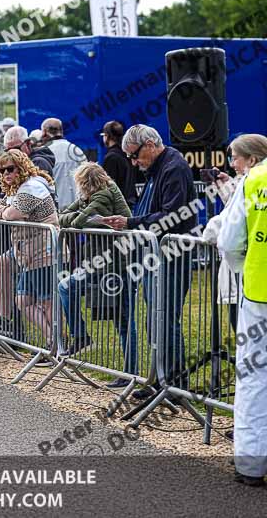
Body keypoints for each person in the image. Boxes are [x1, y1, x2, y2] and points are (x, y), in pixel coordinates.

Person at [99, 125, 198, 398]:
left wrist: (131, 222)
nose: (133, 162)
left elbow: (171, 215)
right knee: (155, 319)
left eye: (135, 155)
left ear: (151, 144)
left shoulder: (173, 168)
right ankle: (161, 380)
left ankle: (174, 385)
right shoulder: (158, 168)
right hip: (156, 256)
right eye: (130, 157)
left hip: (173, 255)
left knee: (166, 319)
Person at [57, 163, 137, 385]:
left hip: (115, 264)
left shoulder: (103, 195)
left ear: (85, 182)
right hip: (101, 263)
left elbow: (76, 222)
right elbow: (61, 216)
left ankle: (130, 372)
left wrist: (79, 214)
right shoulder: (92, 197)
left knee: (124, 319)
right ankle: (82, 335)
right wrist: (79, 211)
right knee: (66, 287)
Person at [217, 141, 267, 487]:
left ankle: (251, 465)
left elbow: (229, 241)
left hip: (260, 291)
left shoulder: (255, 180)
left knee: (254, 376)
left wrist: (243, 266)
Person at [0, 150, 59, 348]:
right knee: (23, 301)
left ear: (22, 167)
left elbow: (12, 213)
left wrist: (0, 212)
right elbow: (0, 205)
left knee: (46, 302)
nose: (5, 174)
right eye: (2, 171)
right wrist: (1, 210)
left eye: (10, 169)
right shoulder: (16, 189)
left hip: (44, 250)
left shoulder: (31, 187)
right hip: (27, 251)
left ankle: (56, 345)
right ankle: (52, 341)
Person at [205, 135, 267, 331]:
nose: (232, 164)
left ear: (252, 159)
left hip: (251, 276)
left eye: (235, 158)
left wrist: (208, 235)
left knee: (250, 340)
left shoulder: (251, 181)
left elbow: (227, 224)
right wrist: (229, 187)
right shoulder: (250, 182)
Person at [41, 118, 87, 208]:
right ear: (61, 131)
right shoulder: (77, 151)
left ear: (45, 133)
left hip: (56, 210)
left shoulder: (44, 153)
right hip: (78, 208)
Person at [100, 121, 140, 207]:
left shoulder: (111, 157)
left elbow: (108, 186)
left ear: (107, 136)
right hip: (131, 203)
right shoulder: (128, 154)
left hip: (118, 207)